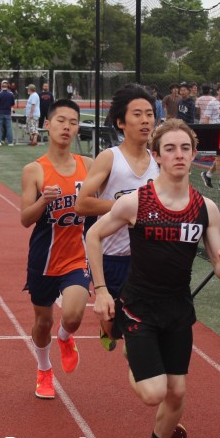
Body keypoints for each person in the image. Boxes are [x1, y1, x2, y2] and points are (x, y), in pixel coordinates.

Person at [87, 119, 220, 438]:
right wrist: (102, 290)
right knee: (153, 392)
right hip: (138, 307)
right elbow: (93, 235)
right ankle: (132, 352)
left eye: (185, 148)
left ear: (195, 154)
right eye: (169, 149)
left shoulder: (206, 209)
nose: (178, 155)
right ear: (156, 156)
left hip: (178, 310)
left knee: (177, 391)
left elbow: (219, 267)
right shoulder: (136, 202)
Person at [75, 85, 160, 351]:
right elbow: (82, 203)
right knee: (114, 327)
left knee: (140, 337)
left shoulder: (159, 161)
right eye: (137, 114)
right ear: (121, 122)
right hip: (111, 258)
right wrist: (126, 208)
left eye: (149, 114)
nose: (145, 120)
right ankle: (107, 328)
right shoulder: (110, 158)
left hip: (147, 260)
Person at [20, 99, 94, 399]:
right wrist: (43, 201)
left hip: (77, 256)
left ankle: (65, 337)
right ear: (47, 125)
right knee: (43, 322)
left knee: (73, 316)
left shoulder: (89, 165)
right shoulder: (34, 170)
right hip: (44, 258)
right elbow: (25, 219)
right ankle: (44, 369)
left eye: (73, 122)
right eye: (61, 121)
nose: (67, 127)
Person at [0, 80, 16, 146]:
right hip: (8, 112)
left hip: (0, 112)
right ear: (7, 86)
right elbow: (13, 103)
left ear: (1, 86)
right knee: (9, 127)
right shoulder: (11, 94)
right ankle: (10, 142)